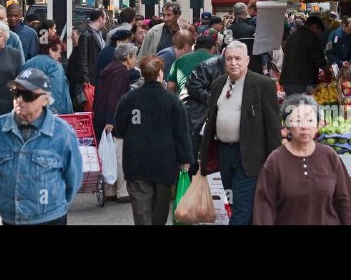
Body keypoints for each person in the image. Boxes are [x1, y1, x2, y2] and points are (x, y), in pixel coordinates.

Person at [198, 41, 282, 225]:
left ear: (247, 60)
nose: (233, 62)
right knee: (231, 202)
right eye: (229, 58)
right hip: (223, 154)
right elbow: (211, 119)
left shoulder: (263, 84)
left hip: (249, 156)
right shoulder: (218, 83)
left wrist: (275, 162)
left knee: (242, 208)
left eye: (237, 58)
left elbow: (273, 126)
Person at [0, 68, 82, 225]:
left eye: (27, 95)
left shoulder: (63, 133)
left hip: (49, 218)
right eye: (16, 94)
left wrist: (54, 206)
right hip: (6, 218)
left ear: (45, 99)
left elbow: (73, 179)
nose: (20, 100)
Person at [254, 95, 351, 225]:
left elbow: (346, 200)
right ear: (287, 125)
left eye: (309, 120)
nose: (304, 126)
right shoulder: (275, 161)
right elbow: (264, 208)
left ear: (318, 125)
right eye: (297, 120)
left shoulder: (329, 156)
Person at [115, 55, 192, 225]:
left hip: (136, 161)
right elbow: (181, 133)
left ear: (142, 73)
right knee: (159, 210)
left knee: (141, 211)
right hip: (164, 163)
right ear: (160, 74)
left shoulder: (128, 100)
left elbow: (119, 129)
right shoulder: (172, 101)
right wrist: (185, 159)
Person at [94, 43, 139, 203]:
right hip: (114, 119)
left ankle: (110, 190)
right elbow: (115, 97)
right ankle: (122, 191)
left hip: (102, 116)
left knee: (109, 153)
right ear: (127, 57)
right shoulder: (121, 73)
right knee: (120, 155)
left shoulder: (110, 69)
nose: (135, 60)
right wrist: (111, 120)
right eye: (134, 56)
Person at [22, 35, 74, 115]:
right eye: (59, 52)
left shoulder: (27, 63)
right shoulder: (55, 66)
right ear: (50, 50)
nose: (60, 56)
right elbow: (55, 93)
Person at [68, 9, 106, 108]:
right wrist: (86, 79)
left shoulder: (99, 35)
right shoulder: (86, 35)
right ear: (100, 19)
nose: (105, 21)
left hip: (96, 76)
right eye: (105, 18)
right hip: (91, 79)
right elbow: (83, 58)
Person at [279, 15, 328, 95]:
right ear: (314, 26)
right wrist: (326, 69)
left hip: (287, 80)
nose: (318, 34)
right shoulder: (312, 37)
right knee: (303, 106)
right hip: (302, 81)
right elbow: (320, 61)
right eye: (318, 31)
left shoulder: (293, 35)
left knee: (293, 105)